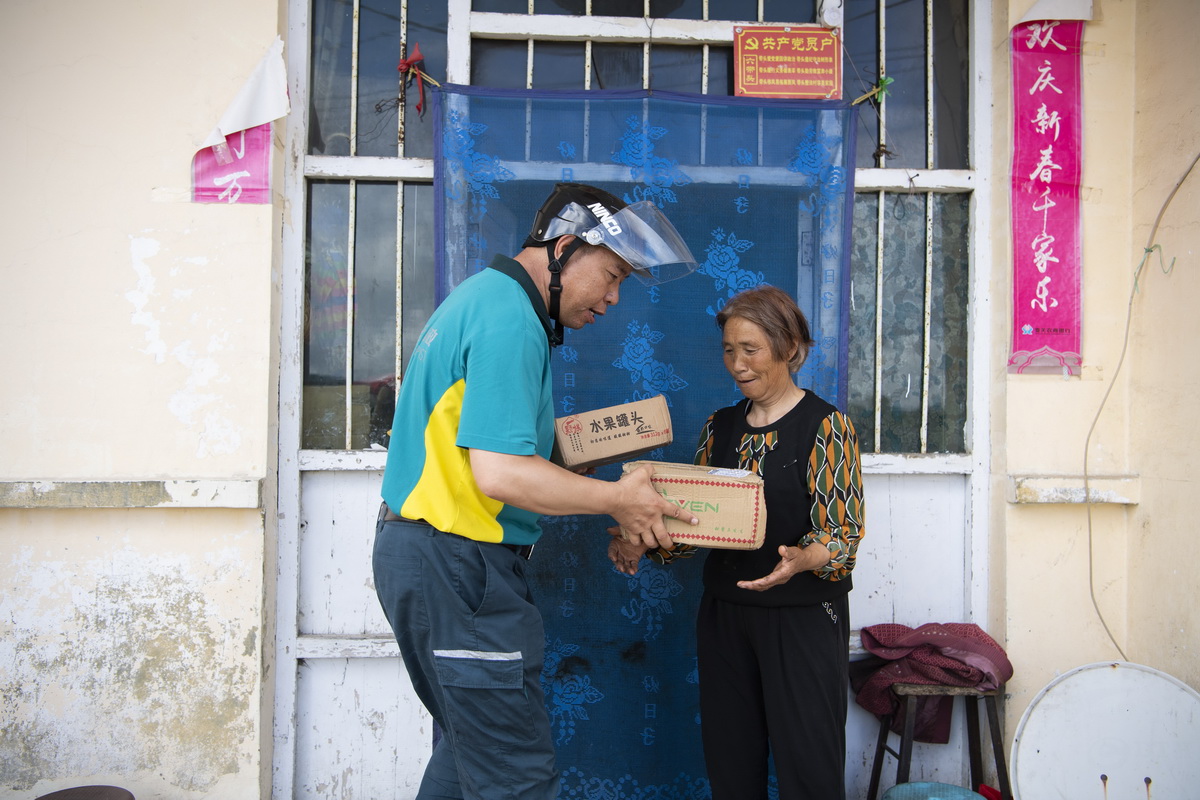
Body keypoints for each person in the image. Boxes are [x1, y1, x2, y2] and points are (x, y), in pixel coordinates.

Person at [372, 182, 701, 800]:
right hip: (459, 564)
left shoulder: (483, 299)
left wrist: (572, 462)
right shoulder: (511, 320)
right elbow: (499, 475)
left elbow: (493, 454)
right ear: (565, 247)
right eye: (610, 275)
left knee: (469, 757)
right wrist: (617, 500)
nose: (611, 299)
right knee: (513, 777)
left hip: (429, 556)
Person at [609, 285, 865, 800]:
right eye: (729, 350)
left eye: (751, 350)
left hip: (802, 616)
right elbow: (692, 524)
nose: (737, 364)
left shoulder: (826, 426)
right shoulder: (718, 428)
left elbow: (842, 537)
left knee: (809, 761)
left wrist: (800, 560)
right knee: (732, 759)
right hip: (725, 615)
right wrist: (643, 539)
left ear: (789, 348)